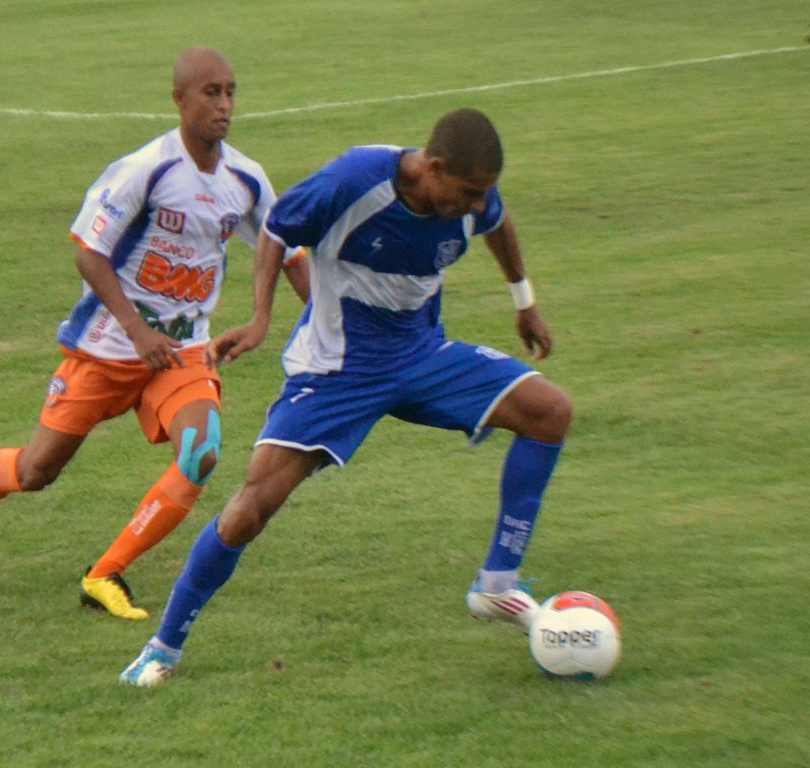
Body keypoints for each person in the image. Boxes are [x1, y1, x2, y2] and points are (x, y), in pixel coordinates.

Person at [120, 108, 573, 686]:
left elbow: (498, 225)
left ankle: (496, 585)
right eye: (469, 193)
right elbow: (278, 229)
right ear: (434, 168)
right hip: (338, 370)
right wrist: (261, 318)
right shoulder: (355, 181)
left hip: (421, 355)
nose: (479, 205)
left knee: (549, 412)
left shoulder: (471, 200)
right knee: (250, 510)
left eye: (484, 193)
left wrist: (524, 302)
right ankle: (163, 647)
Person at [0, 48, 309, 620]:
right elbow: (89, 252)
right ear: (179, 99)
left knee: (201, 454)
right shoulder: (146, 169)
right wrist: (136, 332)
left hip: (181, 351)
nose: (225, 105)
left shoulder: (246, 179)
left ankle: (105, 574)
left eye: (231, 92)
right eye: (211, 93)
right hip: (107, 348)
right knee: (36, 472)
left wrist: (312, 321)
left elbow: (287, 250)